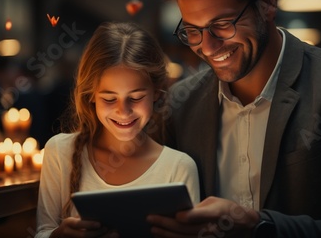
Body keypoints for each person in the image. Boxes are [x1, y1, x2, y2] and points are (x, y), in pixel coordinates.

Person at [147, 0, 321, 237]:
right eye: (192, 30)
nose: (208, 46)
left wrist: (259, 226)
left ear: (268, 1)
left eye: (223, 24)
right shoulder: (180, 104)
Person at [35, 22, 200, 238]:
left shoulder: (179, 167)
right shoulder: (59, 151)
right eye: (110, 98)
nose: (123, 111)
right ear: (91, 95)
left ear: (157, 93)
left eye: (136, 97)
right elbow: (43, 231)